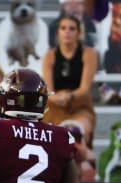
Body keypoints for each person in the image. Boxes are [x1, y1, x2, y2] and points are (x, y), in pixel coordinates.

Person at [42, 15, 97, 149]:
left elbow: (84, 88)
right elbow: (49, 90)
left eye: (72, 29)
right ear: (58, 32)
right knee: (53, 139)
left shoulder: (89, 54)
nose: (67, 32)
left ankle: (84, 163)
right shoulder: (49, 56)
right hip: (55, 105)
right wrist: (57, 98)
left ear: (78, 33)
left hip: (79, 105)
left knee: (77, 132)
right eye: (63, 28)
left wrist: (69, 96)